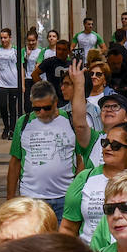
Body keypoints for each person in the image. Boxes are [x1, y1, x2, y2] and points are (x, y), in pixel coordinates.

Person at [7, 81, 80, 219]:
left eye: (47, 108)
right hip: (31, 198)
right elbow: (15, 161)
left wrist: (76, 192)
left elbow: (80, 158)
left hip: (65, 198)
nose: (41, 113)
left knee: (61, 240)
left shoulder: (70, 121)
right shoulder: (23, 123)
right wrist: (10, 198)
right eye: (36, 109)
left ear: (56, 102)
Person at [59, 120, 127, 243]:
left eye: (115, 145)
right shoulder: (85, 178)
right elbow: (68, 228)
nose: (108, 148)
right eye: (105, 143)